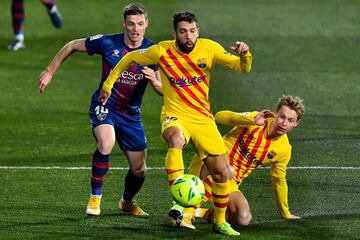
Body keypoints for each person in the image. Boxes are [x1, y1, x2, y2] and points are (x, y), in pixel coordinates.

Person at [99, 11, 252, 236]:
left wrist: (245, 54)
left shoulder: (209, 48)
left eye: (192, 31)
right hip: (175, 114)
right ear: (175, 33)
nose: (188, 36)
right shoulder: (161, 51)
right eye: (183, 32)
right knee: (175, 137)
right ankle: (177, 195)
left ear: (197, 31)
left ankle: (219, 221)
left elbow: (242, 67)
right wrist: (108, 85)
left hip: (203, 119)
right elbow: (130, 58)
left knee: (221, 174)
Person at [38, 3, 162, 217]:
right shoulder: (108, 42)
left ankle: (127, 202)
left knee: (139, 169)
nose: (135, 29)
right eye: (131, 24)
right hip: (104, 106)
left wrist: (154, 81)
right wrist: (49, 71)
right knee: (106, 143)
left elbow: (162, 89)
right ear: (124, 24)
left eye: (140, 24)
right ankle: (95, 199)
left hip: (131, 114)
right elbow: (72, 45)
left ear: (146, 24)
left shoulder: (154, 51)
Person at [188, 95, 305, 225]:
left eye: (290, 120)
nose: (284, 123)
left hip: (230, 181)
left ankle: (199, 212)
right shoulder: (257, 120)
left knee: (243, 218)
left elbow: (279, 181)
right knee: (224, 171)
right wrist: (250, 120)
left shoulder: (284, 150)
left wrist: (286, 212)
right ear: (276, 112)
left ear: (296, 123)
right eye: (282, 117)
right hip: (210, 163)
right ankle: (187, 208)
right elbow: (219, 116)